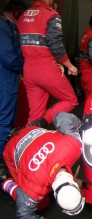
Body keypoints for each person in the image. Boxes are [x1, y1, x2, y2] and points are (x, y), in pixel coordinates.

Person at [1, 112, 84, 219]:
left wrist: (81, 124)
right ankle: (6, 182)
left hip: (31, 131)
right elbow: (24, 216)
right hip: (12, 148)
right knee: (41, 205)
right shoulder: (34, 189)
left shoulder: (74, 145)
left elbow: (61, 117)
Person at [17, 0, 78, 128]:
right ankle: (44, 121)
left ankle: (28, 141)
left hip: (28, 69)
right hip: (46, 68)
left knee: (34, 115)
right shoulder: (51, 15)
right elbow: (55, 45)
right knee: (70, 100)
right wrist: (70, 66)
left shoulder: (23, 16)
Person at [0, 0, 28, 183]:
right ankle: (2, 162)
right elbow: (8, 57)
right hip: (5, 81)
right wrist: (27, 69)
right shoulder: (3, 29)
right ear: (17, 13)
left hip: (7, 80)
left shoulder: (9, 27)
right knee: (4, 121)